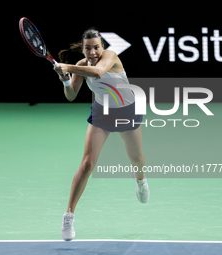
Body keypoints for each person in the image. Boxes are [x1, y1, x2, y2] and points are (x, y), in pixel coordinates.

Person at [53, 28, 150, 242]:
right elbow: (71, 96)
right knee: (87, 163)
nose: (93, 52)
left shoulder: (111, 57)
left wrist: (65, 66)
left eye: (96, 47)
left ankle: (141, 180)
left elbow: (98, 73)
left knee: (137, 159)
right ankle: (69, 214)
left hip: (127, 112)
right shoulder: (79, 66)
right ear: (84, 49)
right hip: (102, 114)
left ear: (102, 47)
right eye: (88, 48)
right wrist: (65, 79)